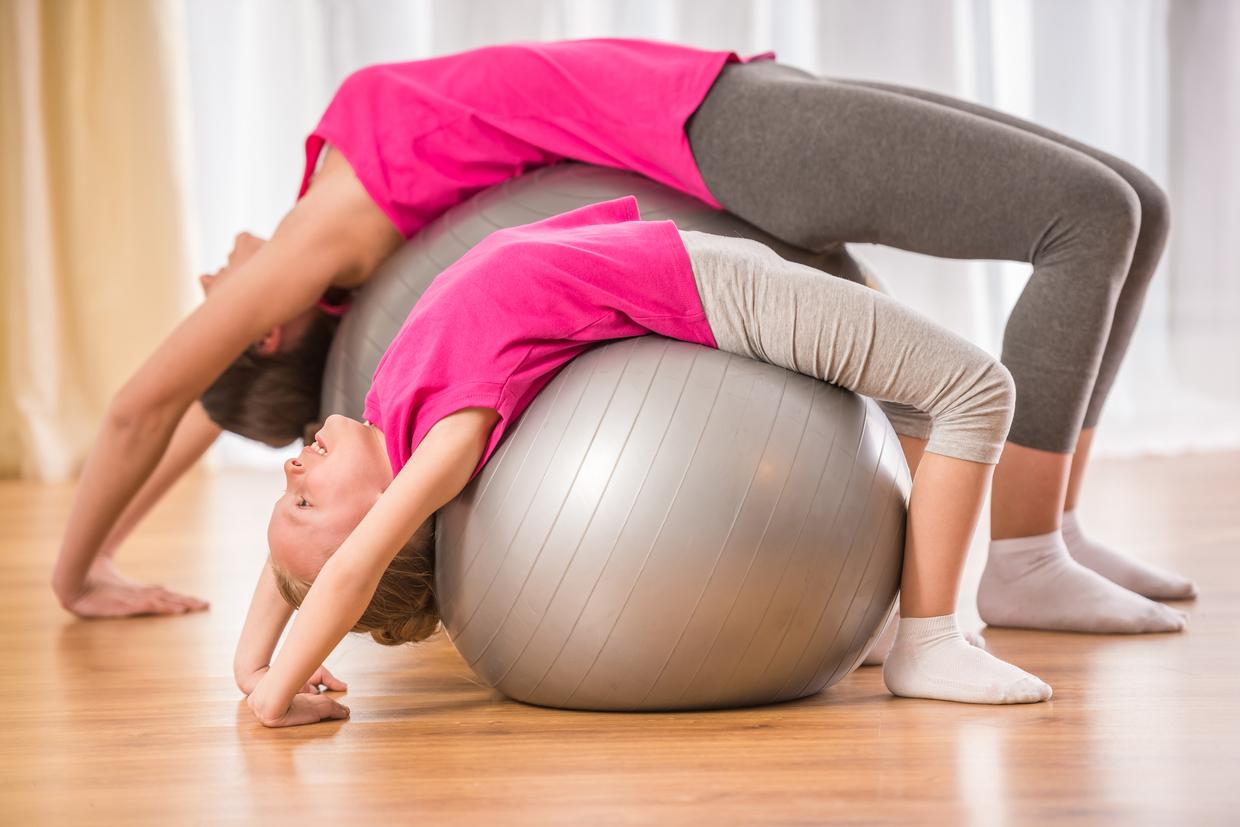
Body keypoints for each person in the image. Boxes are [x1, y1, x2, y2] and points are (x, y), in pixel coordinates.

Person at [55, 39, 1192, 639]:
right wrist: (80, 571)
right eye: (216, 305)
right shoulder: (323, 238)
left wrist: (143, 512)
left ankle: (1061, 527)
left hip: (723, 99)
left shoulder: (327, 240)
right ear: (267, 334)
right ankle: (1024, 560)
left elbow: (195, 419)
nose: (211, 276)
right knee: (1083, 217)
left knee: (1128, 198)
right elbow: (144, 406)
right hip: (716, 138)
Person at [238, 195, 1054, 728]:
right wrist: (277, 699)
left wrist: (253, 663)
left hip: (695, 269)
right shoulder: (444, 437)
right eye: (305, 506)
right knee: (974, 389)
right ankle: (929, 639)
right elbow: (347, 573)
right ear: (380, 522)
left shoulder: (391, 406)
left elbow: (309, 570)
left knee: (924, 393)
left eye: (287, 494)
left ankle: (917, 623)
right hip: (714, 293)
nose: (290, 473)